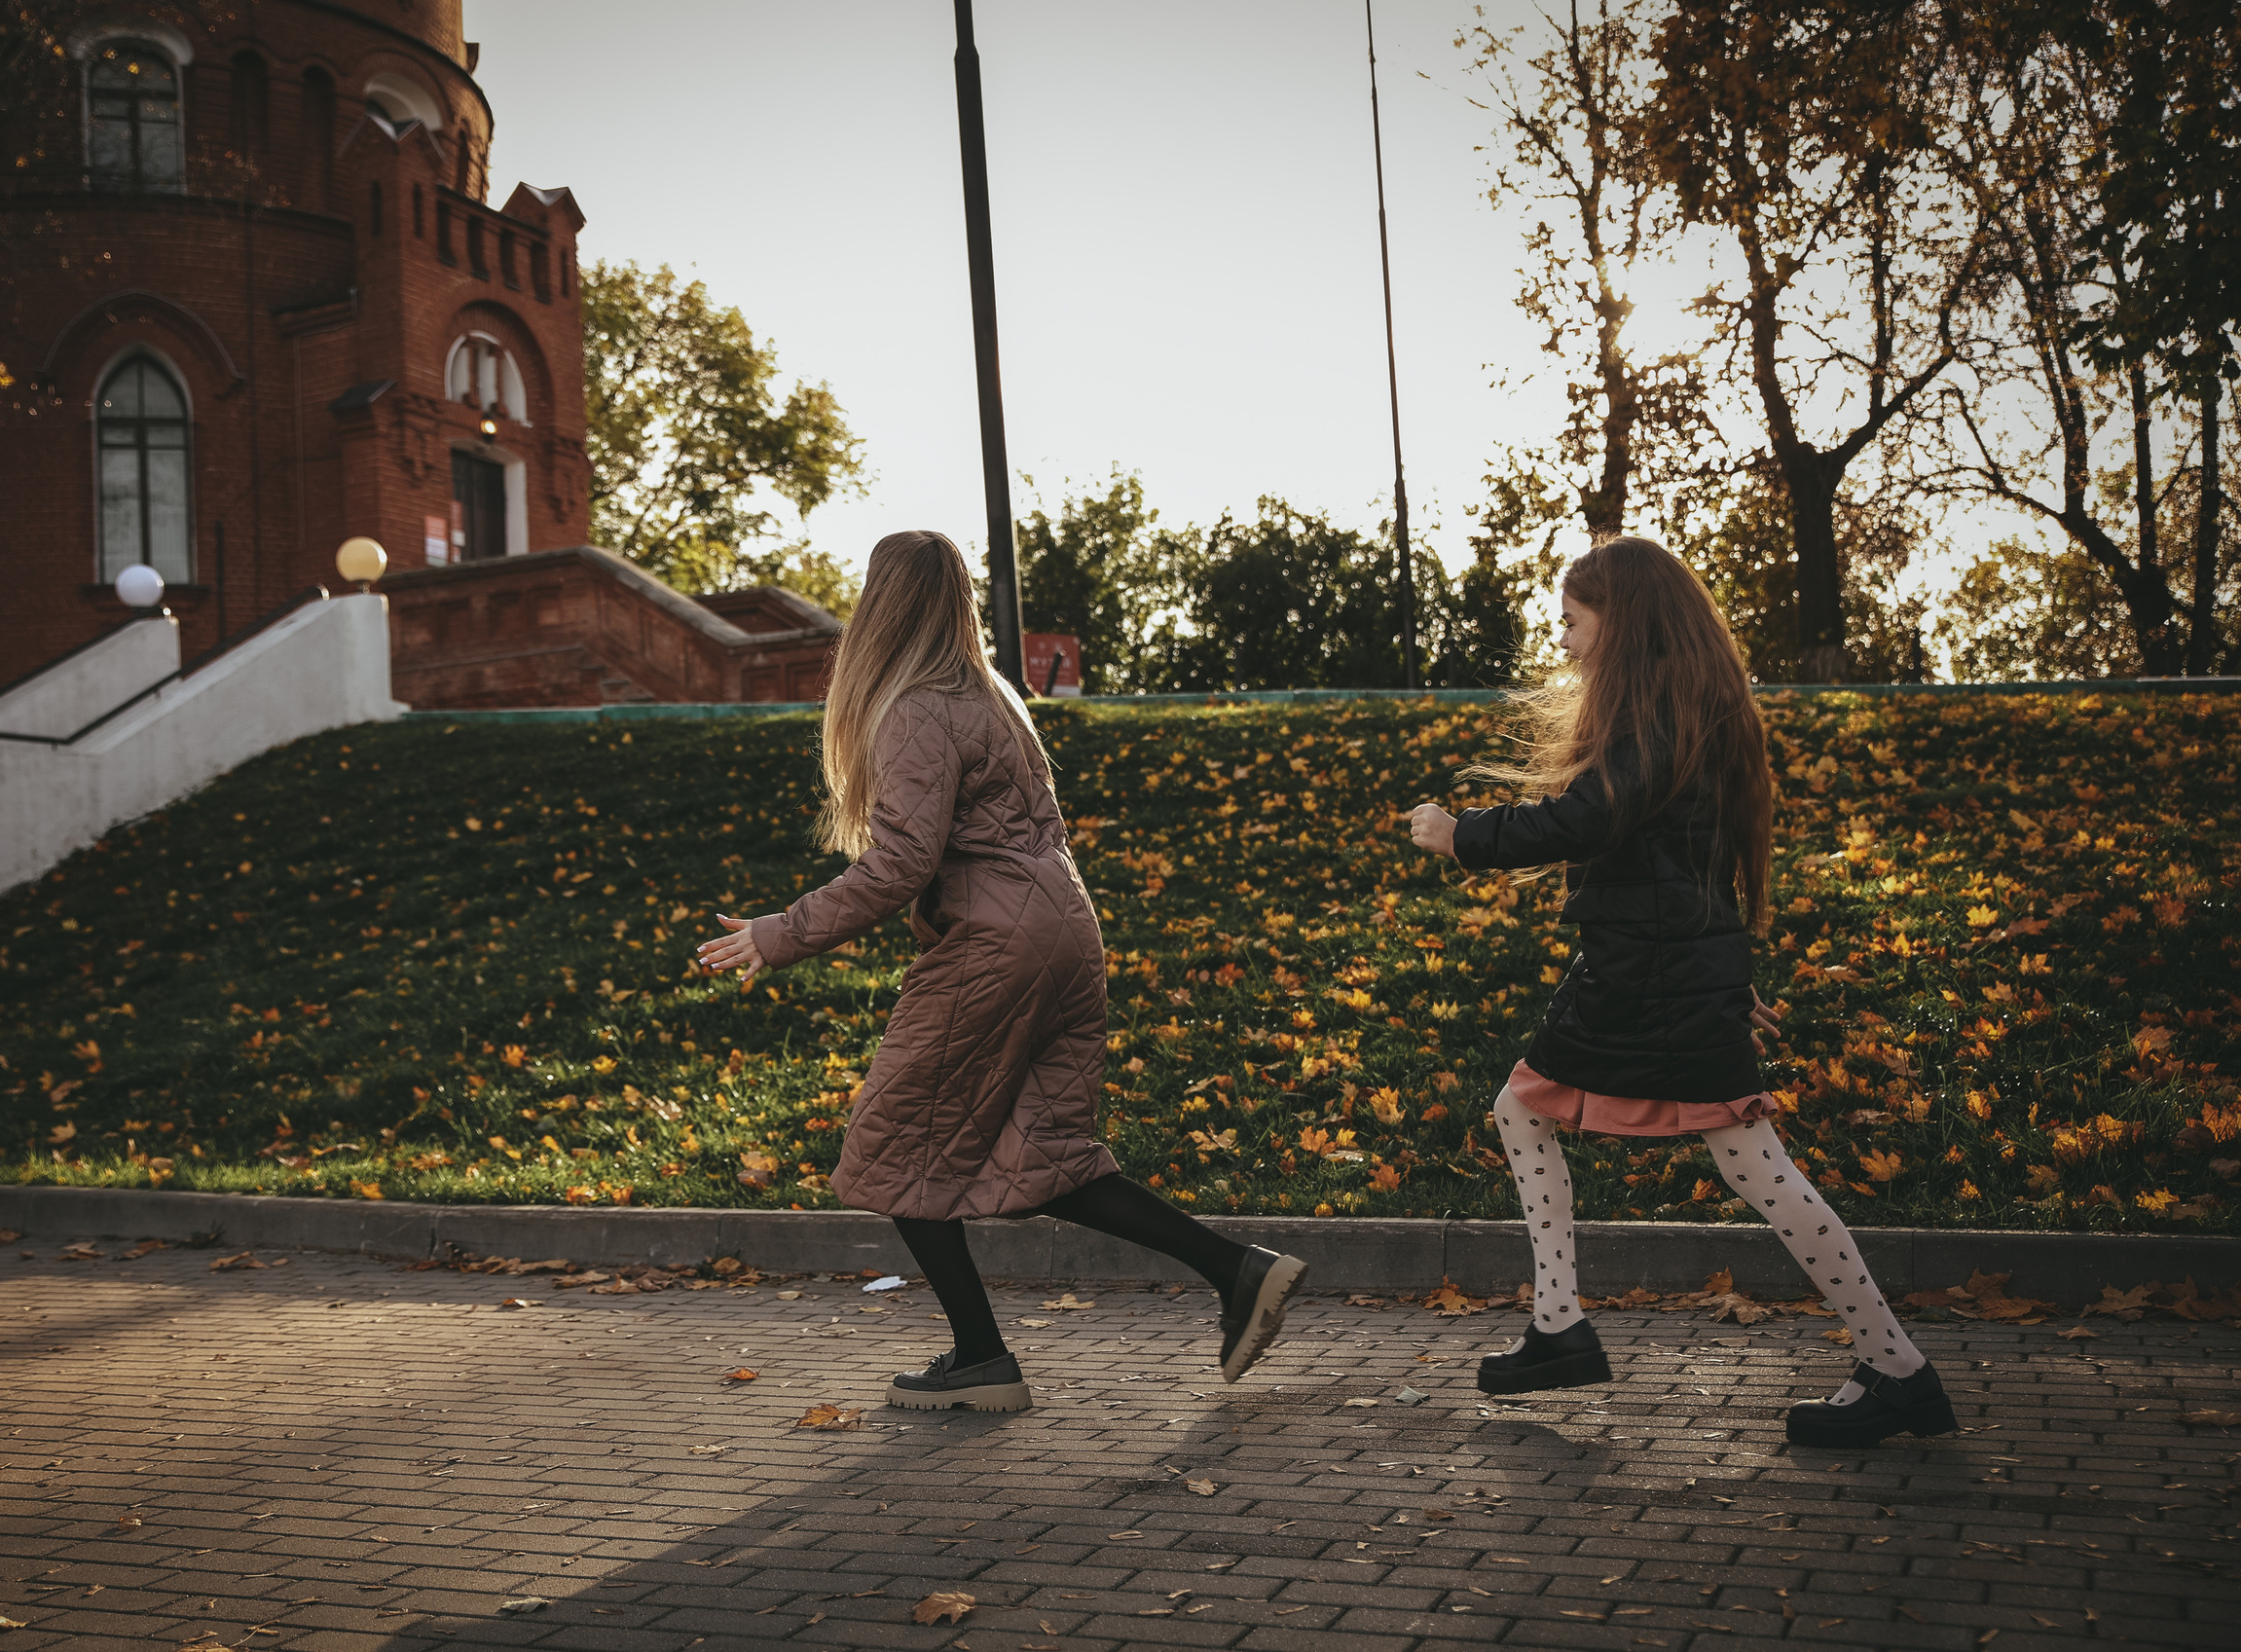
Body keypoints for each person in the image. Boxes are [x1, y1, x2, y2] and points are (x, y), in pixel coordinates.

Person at [698, 530, 1308, 1413]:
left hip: (996, 945)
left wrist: (780, 931)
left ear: (882, 605)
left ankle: (982, 1356)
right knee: (1045, 1156)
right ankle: (1237, 1269)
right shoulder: (995, 697)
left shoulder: (912, 708)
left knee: (890, 1143)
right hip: (1064, 930)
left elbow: (901, 863)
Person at [1406, 536, 1954, 1450]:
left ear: (1620, 620)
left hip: (1645, 981)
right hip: (1652, 974)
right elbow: (1688, 865)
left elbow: (1588, 816)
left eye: (1575, 621)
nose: (1565, 639)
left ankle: (1889, 1366)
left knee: (1741, 1163)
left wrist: (1461, 834)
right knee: (1559, 1118)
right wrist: (1727, 977)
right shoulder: (1681, 708)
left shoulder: (1659, 719)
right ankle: (1563, 1325)